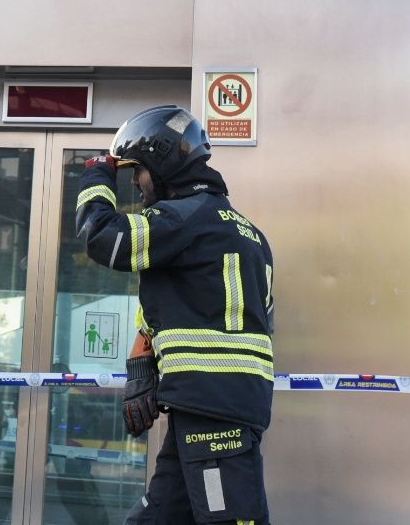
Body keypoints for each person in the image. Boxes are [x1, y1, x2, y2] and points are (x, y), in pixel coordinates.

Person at [75, 105, 275, 524]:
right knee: (157, 518)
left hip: (211, 409)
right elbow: (190, 305)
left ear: (162, 164)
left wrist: (97, 174)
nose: (135, 182)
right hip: (210, 406)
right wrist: (143, 360)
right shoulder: (247, 233)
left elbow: (102, 237)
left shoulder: (180, 219)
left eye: (139, 171)